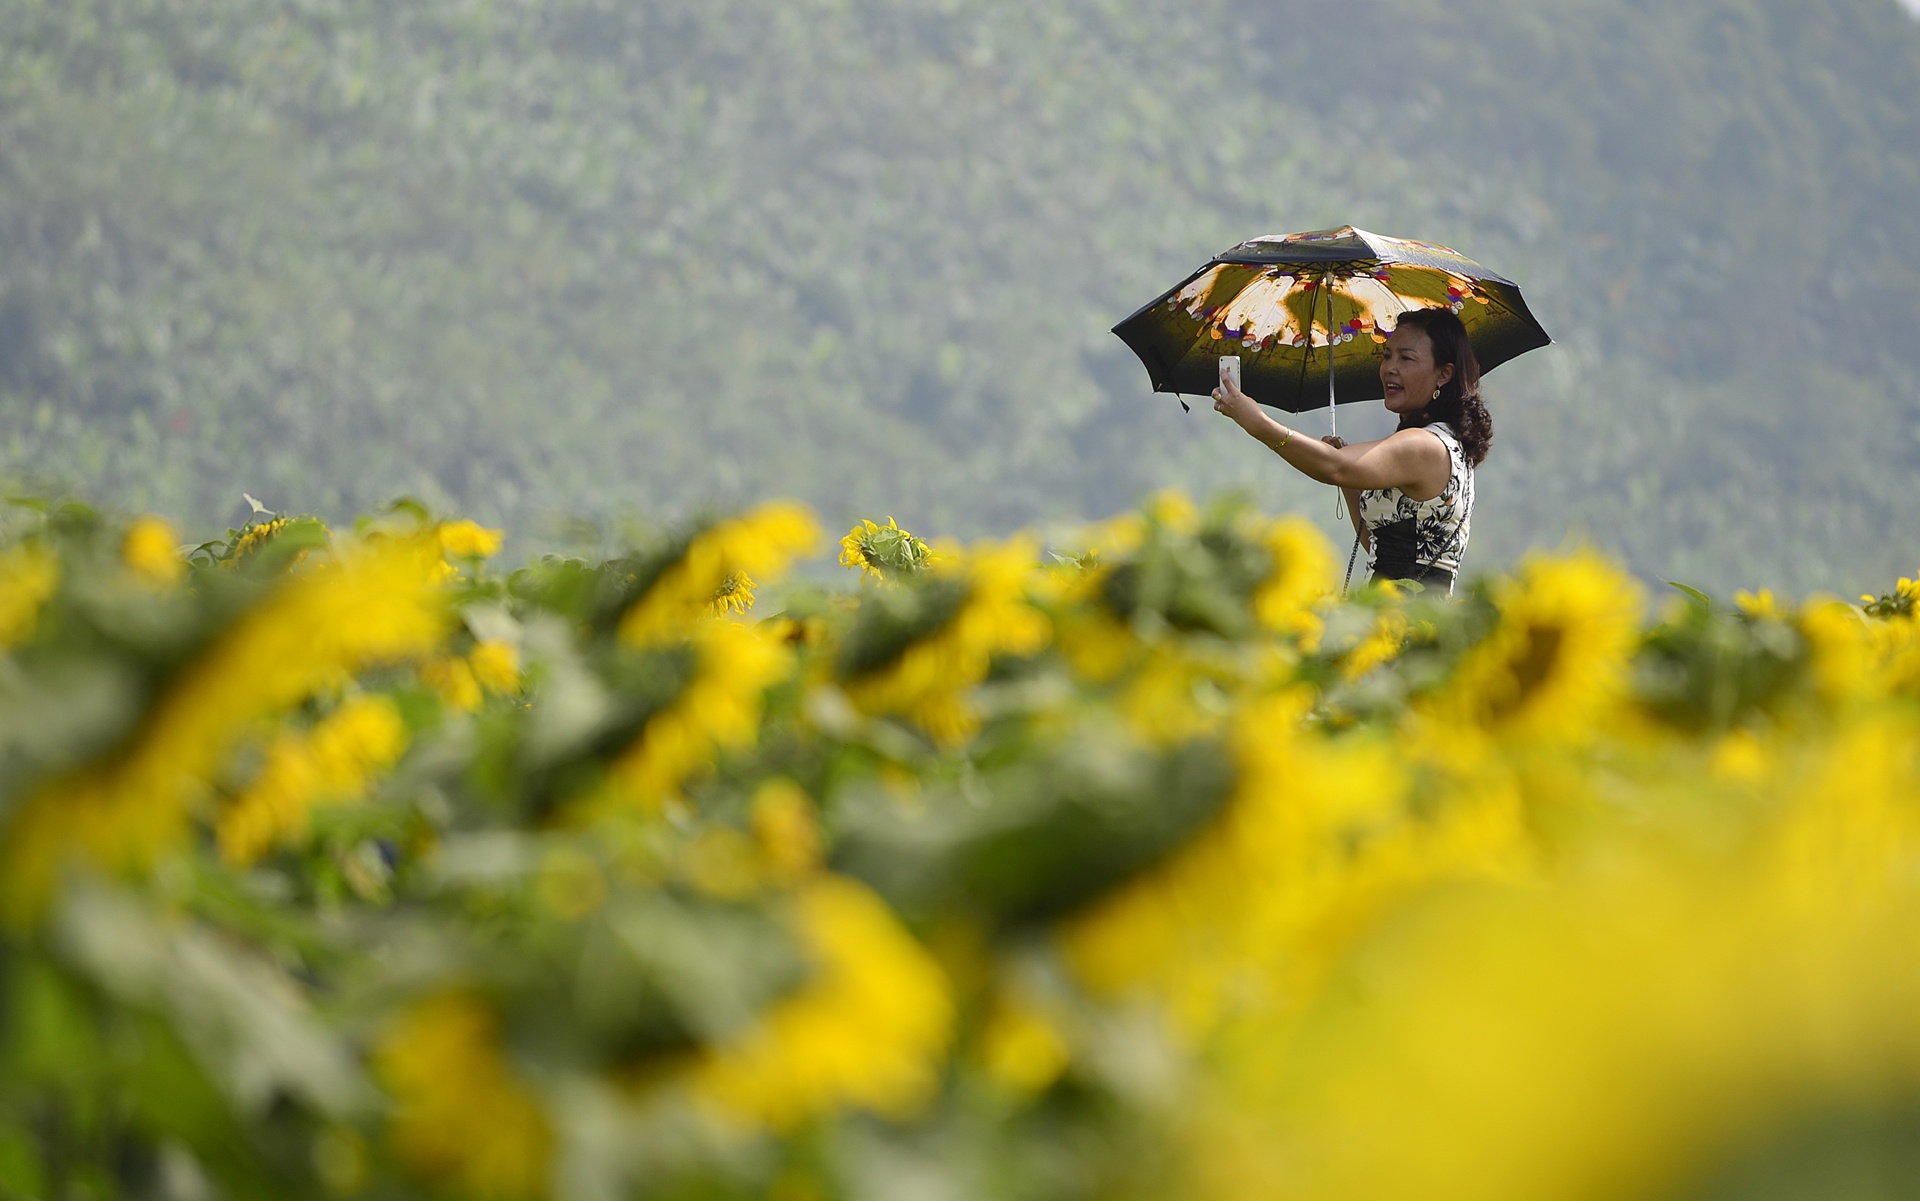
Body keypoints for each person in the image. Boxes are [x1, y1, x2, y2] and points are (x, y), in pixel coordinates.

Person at [1210, 307, 1489, 594]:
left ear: (1444, 374)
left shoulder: (1423, 445)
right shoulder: (1444, 442)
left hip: (1405, 624)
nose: (1390, 368)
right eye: (1387, 355)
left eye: (1406, 358)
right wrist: (1348, 484)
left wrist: (1258, 424)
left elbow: (1336, 466)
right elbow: (1379, 544)